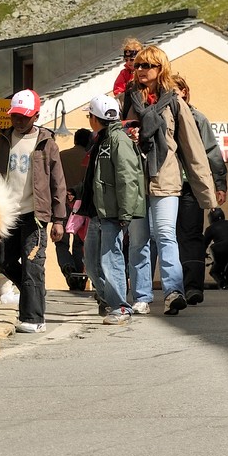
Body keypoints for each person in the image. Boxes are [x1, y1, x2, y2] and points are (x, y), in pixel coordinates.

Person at [123, 46, 216, 316]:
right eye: (138, 65)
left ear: (160, 68)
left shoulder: (175, 102)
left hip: (166, 178)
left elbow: (192, 147)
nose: (141, 70)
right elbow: (117, 138)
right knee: (139, 240)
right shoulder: (128, 98)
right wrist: (128, 136)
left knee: (165, 235)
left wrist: (207, 190)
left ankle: (174, 292)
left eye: (147, 66)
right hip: (135, 180)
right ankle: (141, 296)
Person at [0, 89, 66, 334]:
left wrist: (59, 219)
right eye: (15, 116)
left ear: (36, 116)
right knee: (3, 262)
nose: (19, 121)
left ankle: (33, 318)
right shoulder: (2, 141)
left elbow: (58, 183)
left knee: (33, 265)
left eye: (24, 116)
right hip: (6, 215)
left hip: (35, 216)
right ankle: (35, 292)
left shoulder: (47, 144)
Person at [79, 95, 144, 324]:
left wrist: (125, 213)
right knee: (91, 263)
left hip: (112, 213)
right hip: (98, 212)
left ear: (94, 118)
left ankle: (120, 307)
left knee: (110, 259)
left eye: (89, 116)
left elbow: (128, 177)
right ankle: (109, 299)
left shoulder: (118, 140)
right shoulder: (102, 140)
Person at [173, 77, 227, 306]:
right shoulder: (159, 116)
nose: (172, 96)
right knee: (164, 237)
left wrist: (219, 184)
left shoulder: (198, 119)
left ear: (185, 92)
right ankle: (170, 289)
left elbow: (212, 152)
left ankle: (193, 287)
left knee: (191, 236)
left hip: (190, 186)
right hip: (164, 186)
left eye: (175, 92)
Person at [55, 125, 94, 294]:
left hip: (63, 203)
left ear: (75, 140)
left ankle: (67, 267)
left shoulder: (62, 156)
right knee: (80, 242)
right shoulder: (90, 158)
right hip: (82, 205)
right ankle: (78, 277)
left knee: (61, 241)